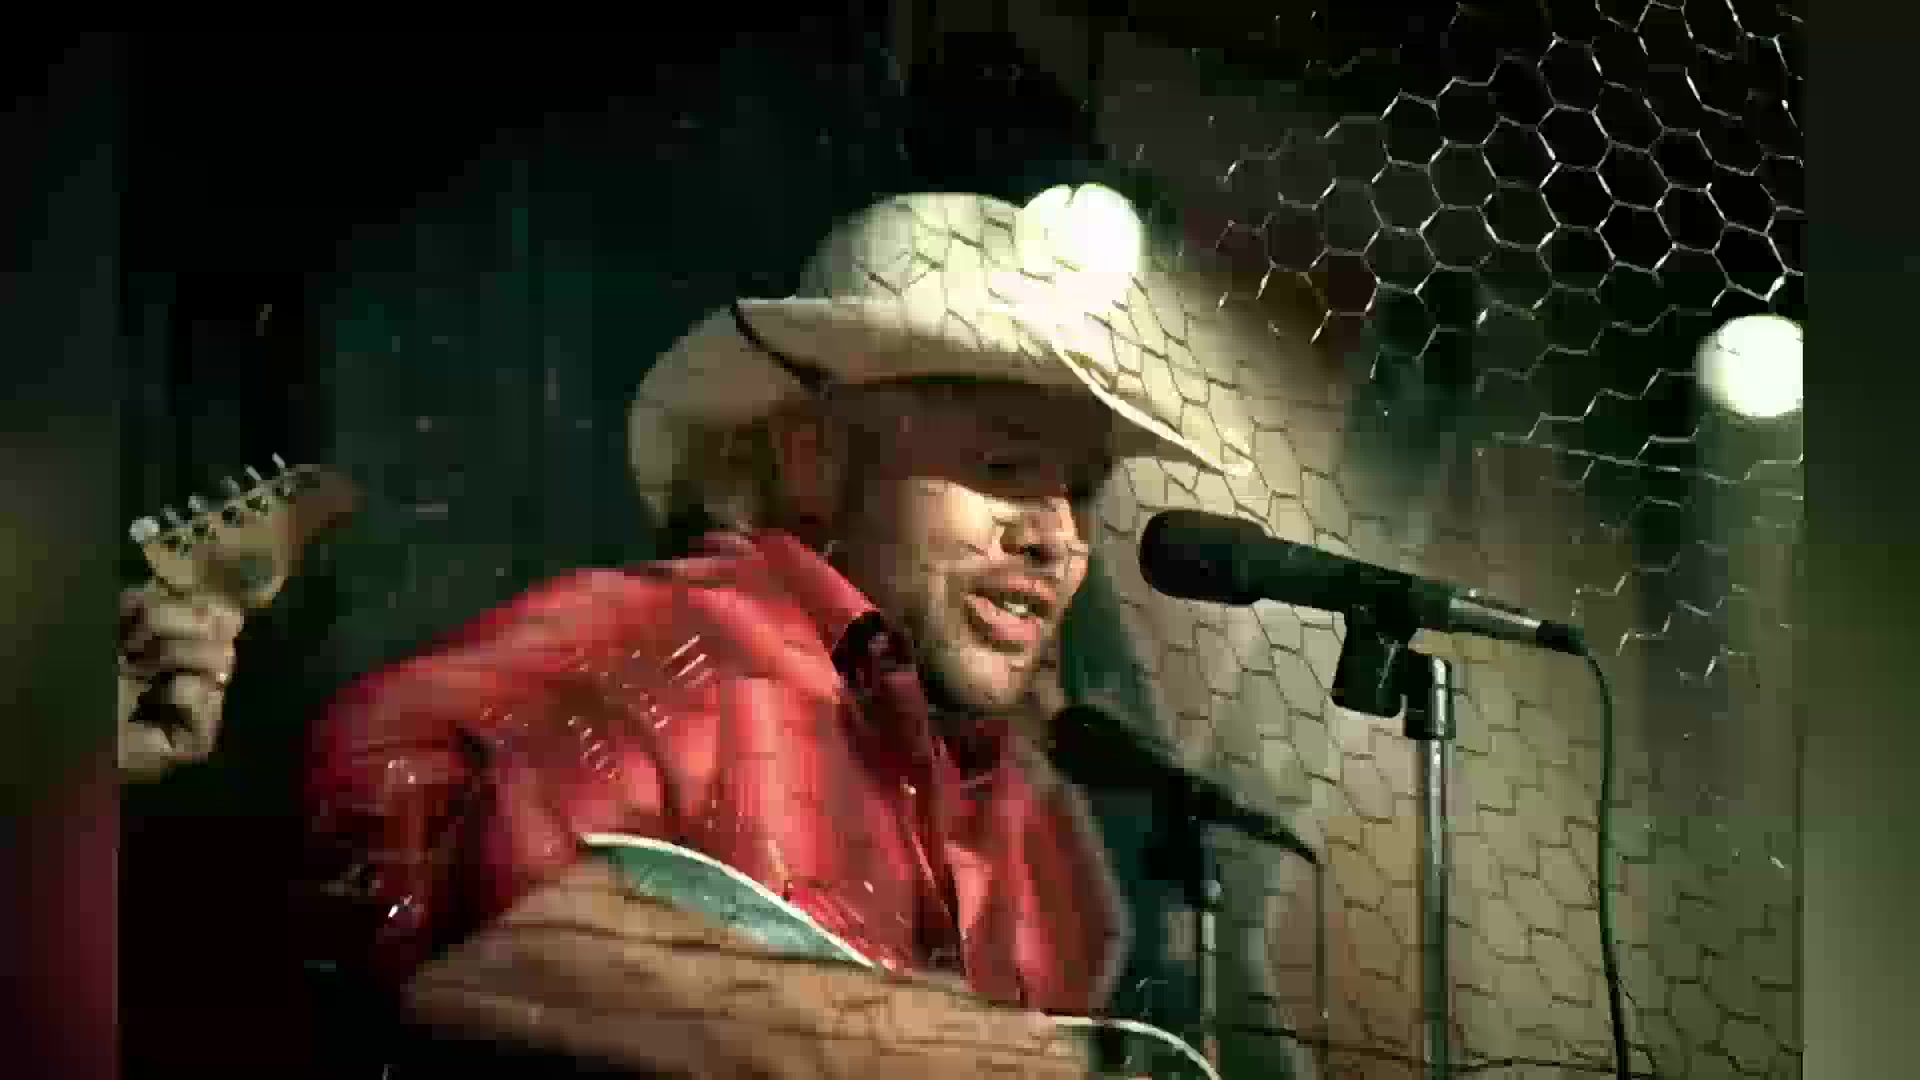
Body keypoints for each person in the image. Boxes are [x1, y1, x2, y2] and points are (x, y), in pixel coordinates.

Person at [117, 188, 1250, 1078]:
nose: (1058, 538)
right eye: (1003, 467)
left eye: (1081, 493)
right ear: (813, 457)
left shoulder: (1035, 827)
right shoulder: (690, 636)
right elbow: (378, 831)